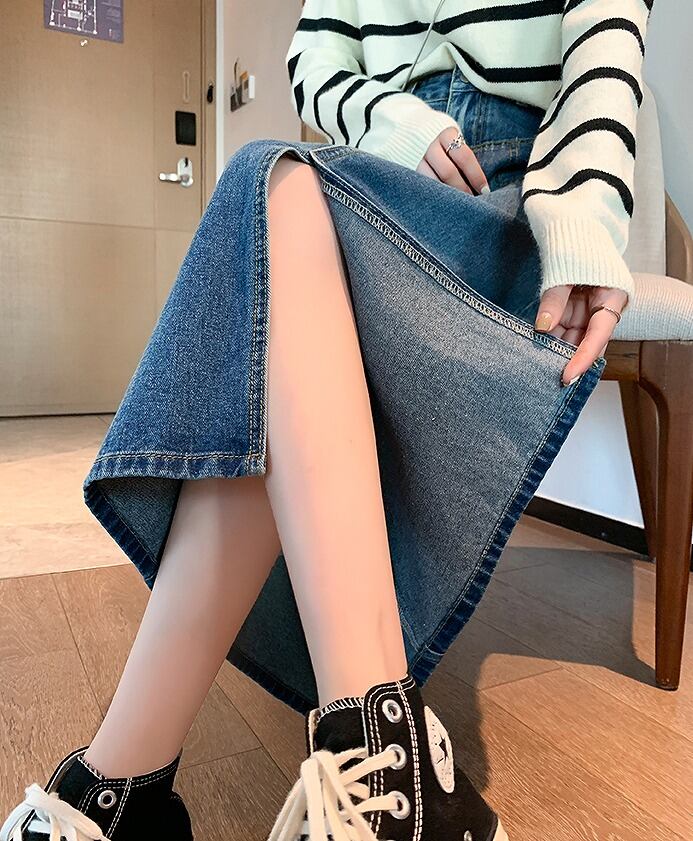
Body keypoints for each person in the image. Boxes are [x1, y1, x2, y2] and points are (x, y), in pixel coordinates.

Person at [1, 1, 652, 840]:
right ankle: (379, 767)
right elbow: (315, 63)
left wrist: (584, 220)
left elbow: (607, 38)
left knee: (272, 204)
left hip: (513, 202)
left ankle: (121, 791)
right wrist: (394, 120)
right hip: (378, 170)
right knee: (277, 199)